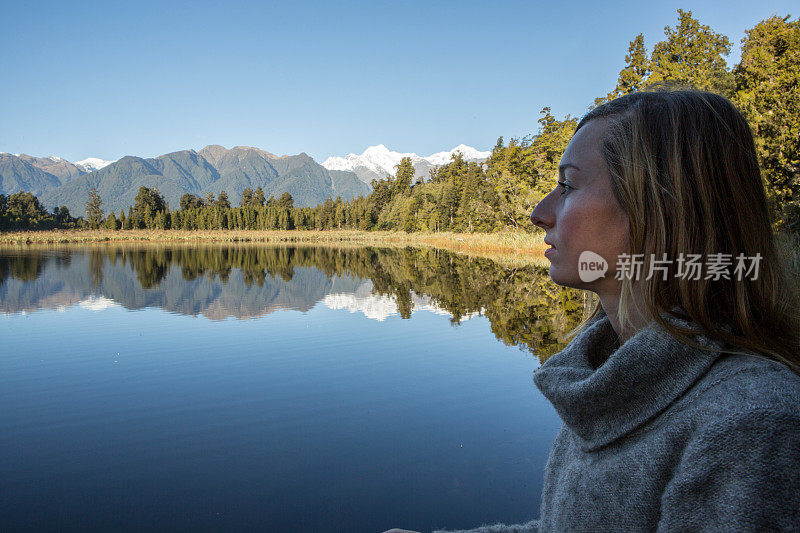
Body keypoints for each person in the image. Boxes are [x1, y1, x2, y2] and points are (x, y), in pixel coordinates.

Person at [405, 91, 800, 532]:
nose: (540, 213)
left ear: (658, 207)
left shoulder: (749, 425)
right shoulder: (610, 382)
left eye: (569, 186)